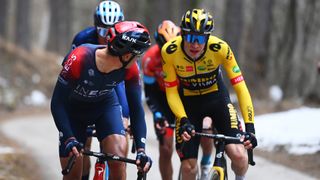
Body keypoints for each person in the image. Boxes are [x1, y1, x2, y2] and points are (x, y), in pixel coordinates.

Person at [161, 9, 258, 180]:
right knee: (189, 168)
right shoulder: (170, 52)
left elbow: (241, 88)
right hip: (189, 104)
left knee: (240, 156)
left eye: (200, 39)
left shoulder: (220, 48)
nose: (195, 45)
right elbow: (171, 91)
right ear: (182, 34)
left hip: (217, 99)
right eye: (191, 38)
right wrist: (183, 119)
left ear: (208, 38)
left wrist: (250, 127)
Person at [51, 21, 152, 180]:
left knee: (118, 159)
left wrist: (141, 150)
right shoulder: (80, 58)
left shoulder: (131, 69)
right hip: (73, 112)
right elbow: (57, 103)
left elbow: (136, 109)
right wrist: (69, 137)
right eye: (137, 56)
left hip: (104, 107)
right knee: (74, 172)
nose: (137, 61)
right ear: (126, 55)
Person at [63, 1, 129, 179]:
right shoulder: (82, 39)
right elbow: (69, 74)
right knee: (83, 149)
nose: (107, 37)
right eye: (102, 31)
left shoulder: (126, 42)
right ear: (94, 27)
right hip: (85, 93)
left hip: (110, 94)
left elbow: (124, 84)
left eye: (111, 31)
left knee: (119, 138)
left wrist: (125, 116)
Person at [141, 20, 214, 180]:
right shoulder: (149, 59)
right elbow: (150, 94)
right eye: (164, 47)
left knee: (204, 131)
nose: (169, 51)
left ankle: (206, 161)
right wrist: (158, 113)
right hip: (163, 102)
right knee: (166, 149)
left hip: (186, 99)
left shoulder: (189, 55)